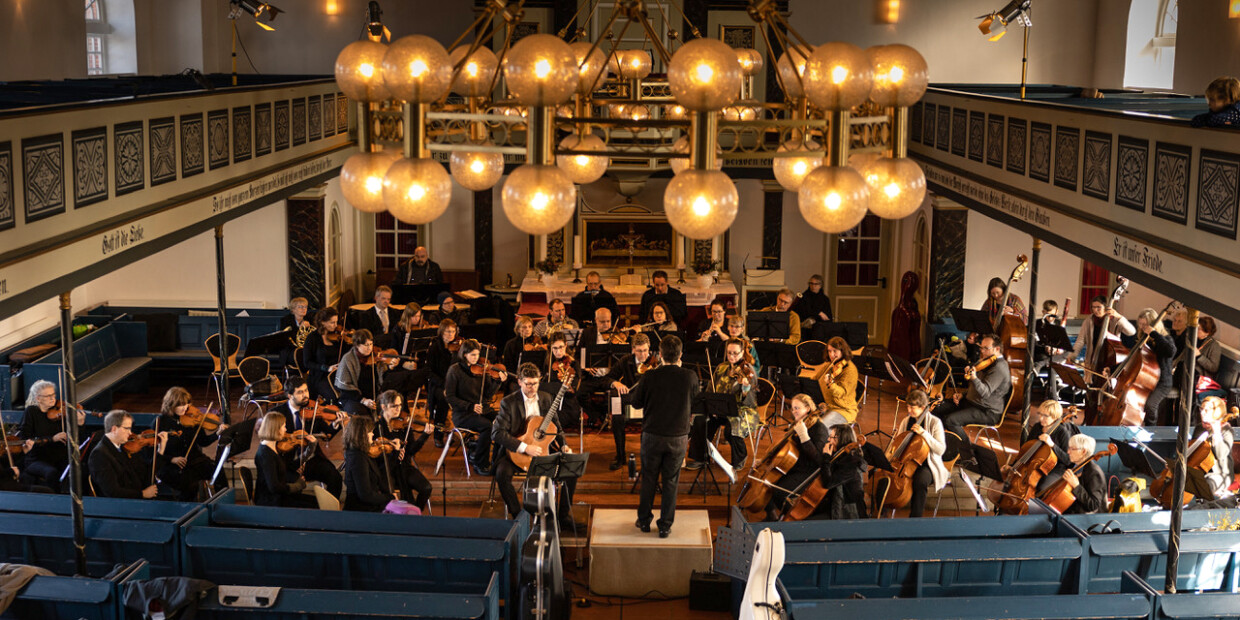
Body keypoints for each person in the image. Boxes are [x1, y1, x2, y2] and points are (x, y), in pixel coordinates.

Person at [629, 335, 699, 538]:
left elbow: (635, 403)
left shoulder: (649, 376)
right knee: (671, 481)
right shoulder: (690, 376)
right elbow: (695, 402)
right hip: (678, 437)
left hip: (652, 435)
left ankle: (643, 521)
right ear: (680, 355)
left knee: (649, 478)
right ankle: (665, 525)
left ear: (659, 354)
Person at [492, 363, 577, 524]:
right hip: (516, 453)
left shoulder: (546, 398)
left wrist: (564, 444)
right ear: (519, 382)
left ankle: (563, 517)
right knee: (501, 474)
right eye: (528, 384)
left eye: (535, 383)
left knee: (571, 470)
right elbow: (497, 433)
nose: (532, 388)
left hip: (542, 451)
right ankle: (519, 517)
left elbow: (557, 427)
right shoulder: (509, 402)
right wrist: (525, 447)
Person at [271, 377, 344, 499]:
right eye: (300, 392)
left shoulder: (313, 409)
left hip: (310, 459)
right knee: (293, 485)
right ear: (290, 396)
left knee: (335, 477)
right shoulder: (277, 414)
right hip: (286, 463)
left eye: (306, 391)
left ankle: (331, 510)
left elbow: (327, 433)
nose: (305, 395)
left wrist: (336, 424)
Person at [445, 339, 508, 475]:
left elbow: (488, 395)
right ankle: (480, 462)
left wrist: (498, 382)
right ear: (464, 354)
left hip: (482, 409)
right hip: (462, 414)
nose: (476, 358)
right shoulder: (454, 371)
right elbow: (450, 397)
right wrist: (470, 406)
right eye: (473, 355)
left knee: (503, 421)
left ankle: (496, 459)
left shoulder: (482, 369)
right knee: (487, 426)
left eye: (477, 354)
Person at [937, 334, 1011, 446]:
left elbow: (985, 393)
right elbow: (977, 387)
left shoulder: (999, 368)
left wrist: (974, 378)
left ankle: (968, 452)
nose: (982, 351)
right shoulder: (986, 361)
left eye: (986, 348)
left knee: (951, 421)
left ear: (997, 349)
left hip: (987, 411)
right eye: (981, 347)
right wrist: (963, 394)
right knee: (937, 409)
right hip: (972, 403)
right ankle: (943, 448)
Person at [696, 338, 759, 470]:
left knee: (731, 430)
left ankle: (740, 458)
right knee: (702, 422)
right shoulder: (721, 367)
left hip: (743, 410)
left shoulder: (748, 371)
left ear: (742, 352)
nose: (732, 356)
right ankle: (702, 457)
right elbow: (710, 389)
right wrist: (711, 404)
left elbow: (750, 400)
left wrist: (745, 389)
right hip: (720, 407)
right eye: (729, 353)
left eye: (735, 353)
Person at [765, 394, 830, 520]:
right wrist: (768, 459)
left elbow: (818, 459)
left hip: (808, 471)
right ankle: (771, 516)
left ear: (807, 408)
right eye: (792, 408)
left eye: (797, 408)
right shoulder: (797, 424)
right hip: (794, 466)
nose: (793, 411)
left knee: (780, 492)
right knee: (767, 483)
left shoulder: (819, 428)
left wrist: (804, 436)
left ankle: (791, 518)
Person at [156, 387, 226, 501]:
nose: (185, 408)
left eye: (187, 404)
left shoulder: (192, 418)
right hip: (171, 465)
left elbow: (203, 441)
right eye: (181, 405)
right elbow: (153, 452)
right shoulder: (161, 422)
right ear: (171, 405)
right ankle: (188, 512)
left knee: (218, 471)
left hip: (194, 460)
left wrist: (217, 434)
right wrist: (172, 459)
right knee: (189, 485)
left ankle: (222, 503)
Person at [599, 333, 657, 470]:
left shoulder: (655, 363)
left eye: (645, 350)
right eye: (639, 351)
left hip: (647, 403)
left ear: (649, 349)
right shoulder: (626, 360)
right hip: (628, 401)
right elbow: (606, 379)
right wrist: (615, 383)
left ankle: (647, 457)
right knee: (617, 416)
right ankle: (620, 456)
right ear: (633, 350)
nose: (643, 355)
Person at [374, 390, 434, 511]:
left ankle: (415, 512)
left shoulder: (403, 426)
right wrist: (394, 453)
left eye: (400, 405)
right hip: (387, 469)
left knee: (426, 487)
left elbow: (411, 450)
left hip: (404, 466)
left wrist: (424, 435)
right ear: (383, 407)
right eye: (394, 406)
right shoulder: (377, 428)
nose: (398, 409)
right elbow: (378, 456)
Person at [18, 380, 82, 493]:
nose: (53, 398)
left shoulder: (59, 412)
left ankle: (74, 501)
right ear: (38, 398)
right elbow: (25, 438)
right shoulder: (31, 412)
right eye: (48, 396)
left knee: (78, 468)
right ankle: (54, 500)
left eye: (53, 395)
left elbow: (74, 437)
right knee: (51, 472)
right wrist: (52, 438)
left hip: (59, 456)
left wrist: (80, 424)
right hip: (36, 459)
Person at [892, 389, 948, 518]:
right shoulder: (906, 421)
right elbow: (897, 443)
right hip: (905, 462)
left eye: (912, 407)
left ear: (923, 407)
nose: (909, 410)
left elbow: (940, 449)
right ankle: (881, 512)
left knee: (920, 481)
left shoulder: (935, 422)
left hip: (927, 463)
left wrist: (924, 433)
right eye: (908, 406)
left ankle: (915, 519)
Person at [88, 410, 162, 499]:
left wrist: (160, 450)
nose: (130, 433)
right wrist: (142, 494)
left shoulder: (123, 447)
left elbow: (143, 474)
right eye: (127, 428)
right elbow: (112, 491)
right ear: (114, 429)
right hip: (121, 506)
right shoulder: (99, 455)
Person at [1009, 400, 1076, 494]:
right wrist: (1013, 466)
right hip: (1035, 466)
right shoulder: (1037, 427)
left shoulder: (1062, 432)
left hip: (1056, 469)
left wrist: (1052, 445)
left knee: (1042, 488)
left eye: (1045, 416)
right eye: (1040, 414)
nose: (1040, 418)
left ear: (1055, 417)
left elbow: (1068, 460)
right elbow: (1026, 450)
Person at [253, 412, 317, 509]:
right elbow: (274, 487)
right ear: (276, 429)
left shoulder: (273, 447)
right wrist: (297, 486)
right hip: (271, 501)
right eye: (284, 426)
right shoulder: (266, 454)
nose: (286, 430)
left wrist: (309, 450)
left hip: (280, 496)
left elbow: (288, 467)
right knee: (314, 506)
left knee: (316, 502)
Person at [810, 424, 868, 520]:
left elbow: (828, 483)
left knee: (807, 524)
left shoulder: (851, 463)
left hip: (847, 513)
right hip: (834, 504)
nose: (828, 439)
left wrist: (826, 458)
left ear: (841, 439)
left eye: (831, 437)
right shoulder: (840, 456)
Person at [342, 416, 396, 512]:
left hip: (367, 505)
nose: (372, 434)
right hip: (361, 510)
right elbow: (366, 495)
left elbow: (379, 476)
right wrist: (389, 497)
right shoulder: (358, 458)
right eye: (370, 431)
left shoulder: (362, 452)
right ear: (362, 434)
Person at [1135, 307, 1177, 426]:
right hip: (1146, 380)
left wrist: (1154, 333)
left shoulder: (1165, 339)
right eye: (1141, 324)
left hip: (1163, 382)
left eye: (1145, 324)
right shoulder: (1144, 340)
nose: (1143, 328)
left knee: (1150, 405)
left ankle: (1151, 429)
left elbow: (1170, 351)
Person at [1071, 295, 1136, 368]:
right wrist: (1072, 357)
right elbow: (1080, 341)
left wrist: (1118, 316)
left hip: (1110, 362)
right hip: (1092, 361)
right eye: (1093, 307)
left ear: (1106, 307)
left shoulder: (1114, 320)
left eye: (1098, 307)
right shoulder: (1089, 320)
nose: (1095, 310)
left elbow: (1131, 332)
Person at [425, 319, 461, 447]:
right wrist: (444, 385)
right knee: (443, 400)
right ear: (441, 332)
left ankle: (459, 431)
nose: (451, 334)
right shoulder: (435, 347)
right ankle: (438, 435)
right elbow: (429, 372)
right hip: (438, 384)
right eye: (447, 332)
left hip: (454, 383)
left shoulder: (457, 347)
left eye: (453, 331)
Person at [542, 330, 583, 430]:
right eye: (554, 348)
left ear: (565, 345)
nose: (558, 351)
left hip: (567, 406)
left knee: (551, 423)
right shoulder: (548, 362)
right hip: (549, 404)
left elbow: (572, 390)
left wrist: (551, 387)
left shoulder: (573, 364)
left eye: (561, 347)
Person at [1195, 396, 1235, 500]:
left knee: (1206, 485)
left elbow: (1221, 454)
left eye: (1206, 410)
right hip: (1201, 471)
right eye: (1201, 409)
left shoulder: (1227, 430)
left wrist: (1216, 432)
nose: (1202, 413)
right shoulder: (1199, 428)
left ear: (1216, 413)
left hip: (1220, 474)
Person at [1058, 434, 1106, 515]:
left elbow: (1094, 505)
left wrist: (1076, 485)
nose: (1068, 452)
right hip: (1073, 512)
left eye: (1072, 449)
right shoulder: (1075, 466)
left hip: (1085, 519)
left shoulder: (1094, 473)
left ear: (1083, 451)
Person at [1032, 299, 1070, 400]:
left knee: (1068, 352)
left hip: (1055, 355)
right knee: (1053, 365)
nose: (1050, 317)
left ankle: (1040, 364)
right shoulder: (1037, 324)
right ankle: (1053, 398)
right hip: (1043, 353)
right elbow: (1035, 342)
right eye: (1047, 314)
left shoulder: (1059, 323)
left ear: (1057, 312)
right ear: (1043, 312)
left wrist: (1060, 348)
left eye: (1052, 314)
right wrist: (1046, 347)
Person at [302, 307, 344, 401]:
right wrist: (326, 368)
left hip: (337, 376)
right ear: (322, 322)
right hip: (319, 377)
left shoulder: (338, 338)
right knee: (335, 397)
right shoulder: (312, 338)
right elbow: (307, 362)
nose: (336, 325)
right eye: (332, 322)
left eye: (336, 322)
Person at [819, 337, 859, 426]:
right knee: (805, 419)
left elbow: (842, 393)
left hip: (844, 410)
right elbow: (817, 379)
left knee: (821, 426)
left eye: (835, 351)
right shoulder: (830, 365)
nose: (831, 355)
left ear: (842, 351)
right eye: (829, 351)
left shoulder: (850, 370)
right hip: (828, 406)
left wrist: (831, 384)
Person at [1192, 316, 1225, 404]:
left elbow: (1213, 367)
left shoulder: (1214, 346)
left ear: (1207, 332)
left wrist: (1199, 356)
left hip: (1200, 379)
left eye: (1199, 329)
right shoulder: (1193, 339)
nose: (1196, 331)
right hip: (1189, 373)